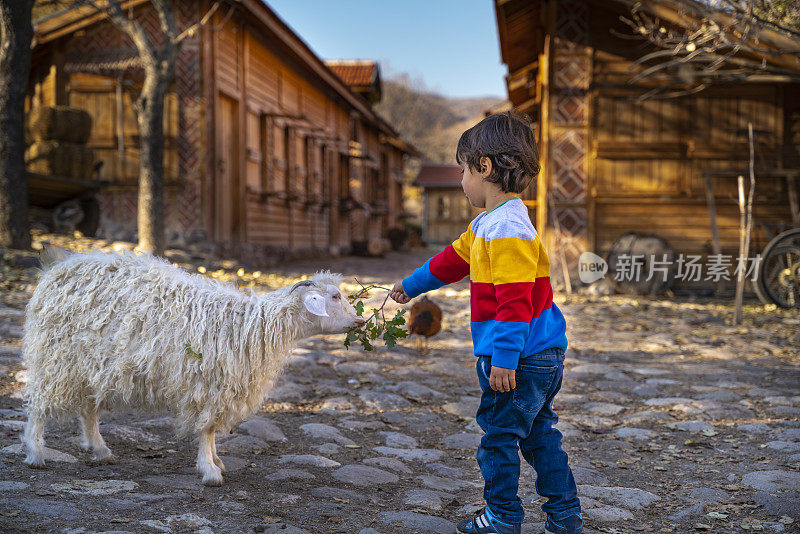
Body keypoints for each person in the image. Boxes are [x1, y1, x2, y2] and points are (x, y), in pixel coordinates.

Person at [389, 112, 583, 534]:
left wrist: (504, 359)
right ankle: (565, 517)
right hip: (542, 354)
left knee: (498, 439)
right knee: (539, 435)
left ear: (484, 168)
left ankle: (502, 517)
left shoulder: (505, 230)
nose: (461, 179)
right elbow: (449, 262)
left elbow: (515, 305)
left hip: (519, 358)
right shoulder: (490, 225)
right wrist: (410, 285)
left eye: (463, 169)